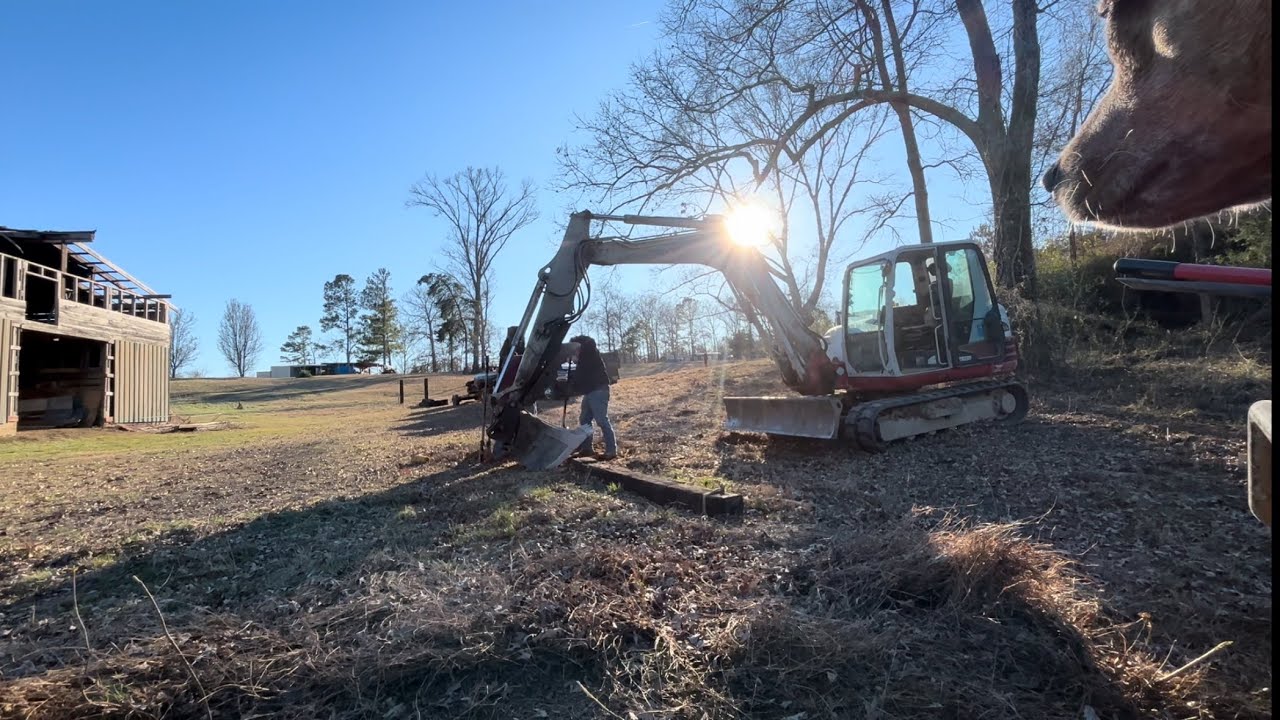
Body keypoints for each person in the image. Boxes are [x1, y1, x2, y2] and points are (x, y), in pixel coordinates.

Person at [567, 334, 617, 460]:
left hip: (599, 390)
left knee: (601, 420)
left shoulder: (590, 354)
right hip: (590, 391)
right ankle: (587, 448)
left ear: (581, 347)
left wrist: (576, 358)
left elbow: (581, 373)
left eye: (576, 349)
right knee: (584, 420)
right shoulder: (583, 359)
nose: (575, 353)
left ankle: (611, 450)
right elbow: (580, 377)